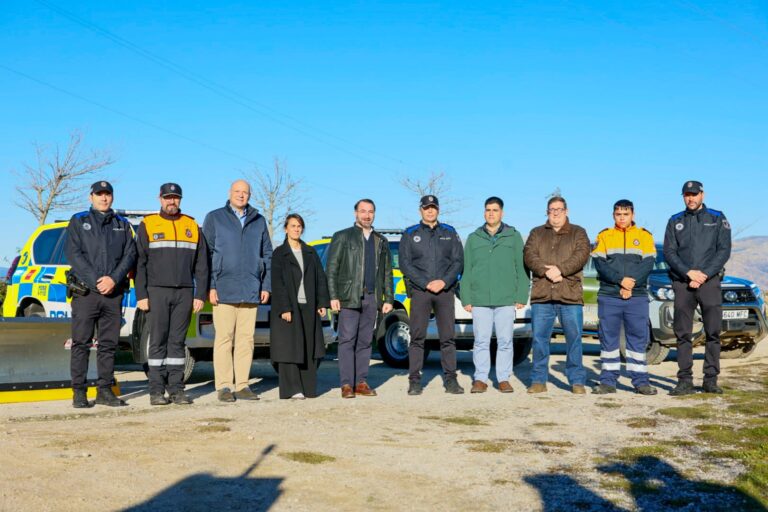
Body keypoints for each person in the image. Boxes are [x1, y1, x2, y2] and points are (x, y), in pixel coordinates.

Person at [136, 183, 208, 406]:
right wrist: (141, 294)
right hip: (156, 292)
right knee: (157, 341)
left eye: (176, 198)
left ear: (180, 200)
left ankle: (176, 389)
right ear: (160, 199)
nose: (172, 201)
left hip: (185, 292)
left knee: (177, 343)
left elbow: (202, 264)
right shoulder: (148, 224)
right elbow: (139, 263)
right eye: (168, 197)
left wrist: (200, 295)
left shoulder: (192, 225)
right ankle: (156, 390)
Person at [65, 181, 137, 408]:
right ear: (91, 197)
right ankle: (79, 392)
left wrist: (113, 279)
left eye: (107, 195)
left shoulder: (122, 224)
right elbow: (74, 254)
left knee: (108, 344)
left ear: (112, 198)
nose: (104, 198)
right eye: (99, 195)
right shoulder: (79, 221)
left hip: (113, 293)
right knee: (81, 343)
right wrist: (97, 281)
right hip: (87, 293)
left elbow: (130, 254)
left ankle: (105, 390)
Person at [202, 180, 272, 403]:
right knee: (224, 339)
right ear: (230, 193)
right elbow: (206, 254)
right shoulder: (214, 218)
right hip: (223, 288)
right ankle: (223, 386)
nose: (241, 195)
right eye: (237, 192)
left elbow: (267, 254)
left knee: (246, 340)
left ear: (250, 195)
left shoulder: (259, 221)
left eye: (245, 192)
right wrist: (210, 286)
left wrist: (266, 285)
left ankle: (242, 385)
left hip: (251, 288)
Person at [664, 180, 731, 396]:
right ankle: (684, 381)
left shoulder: (717, 217)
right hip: (683, 283)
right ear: (683, 197)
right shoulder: (675, 221)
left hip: (709, 282)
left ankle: (710, 380)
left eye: (694, 194)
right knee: (683, 334)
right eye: (686, 195)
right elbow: (669, 253)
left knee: (713, 332)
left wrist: (703, 275)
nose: (690, 198)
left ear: (702, 194)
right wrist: (688, 273)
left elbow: (723, 250)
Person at [326, 199, 393, 398]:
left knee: (365, 341)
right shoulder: (343, 236)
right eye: (363, 211)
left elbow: (387, 273)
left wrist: (388, 298)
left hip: (372, 298)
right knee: (347, 340)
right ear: (355, 213)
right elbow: (332, 268)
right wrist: (333, 296)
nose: (366, 215)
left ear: (374, 214)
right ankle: (346, 384)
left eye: (370, 211)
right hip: (349, 296)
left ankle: (360, 382)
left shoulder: (381, 241)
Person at [460, 196, 529, 394]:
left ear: (502, 213)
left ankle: (503, 378)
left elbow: (521, 267)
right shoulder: (474, 238)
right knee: (481, 340)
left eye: (495, 210)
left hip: (506, 298)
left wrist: (521, 295)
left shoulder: (513, 236)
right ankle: (480, 378)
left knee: (505, 340)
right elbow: (466, 269)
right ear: (484, 212)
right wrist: (466, 297)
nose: (491, 213)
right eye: (488, 210)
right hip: (480, 298)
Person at [523, 196, 591, 394]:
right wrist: (545, 271)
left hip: (569, 294)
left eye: (559, 209)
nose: (555, 213)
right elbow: (529, 255)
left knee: (574, 339)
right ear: (547, 212)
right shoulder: (536, 233)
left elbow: (581, 255)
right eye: (551, 209)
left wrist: (560, 270)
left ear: (566, 211)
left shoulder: (578, 232)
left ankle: (577, 381)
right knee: (539, 339)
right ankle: (538, 380)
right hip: (542, 294)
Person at [399, 195, 464, 395]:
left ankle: (451, 380)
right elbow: (405, 264)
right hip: (421, 292)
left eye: (433, 207)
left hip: (444, 291)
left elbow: (458, 261)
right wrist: (426, 283)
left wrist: (443, 281)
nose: (430, 211)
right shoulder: (410, 234)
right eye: (426, 208)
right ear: (421, 210)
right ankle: (415, 381)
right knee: (417, 337)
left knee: (448, 337)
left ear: (438, 210)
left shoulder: (450, 232)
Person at [591, 199, 657, 395]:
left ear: (633, 215)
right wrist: (621, 281)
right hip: (609, 295)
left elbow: (648, 264)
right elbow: (600, 265)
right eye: (618, 214)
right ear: (613, 215)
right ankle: (608, 381)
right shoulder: (604, 236)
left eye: (625, 214)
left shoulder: (644, 236)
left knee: (638, 338)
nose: (622, 218)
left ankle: (640, 381)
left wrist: (631, 283)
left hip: (636, 296)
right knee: (608, 339)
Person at [270, 214, 330, 399]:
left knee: (308, 346)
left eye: (299, 226)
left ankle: (308, 387)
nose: (296, 229)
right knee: (290, 347)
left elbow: (320, 278)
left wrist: (322, 302)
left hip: (309, 305)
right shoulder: (280, 253)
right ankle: (293, 388)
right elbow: (277, 283)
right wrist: (284, 308)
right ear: (286, 228)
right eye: (293, 226)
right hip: (289, 307)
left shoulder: (310, 252)